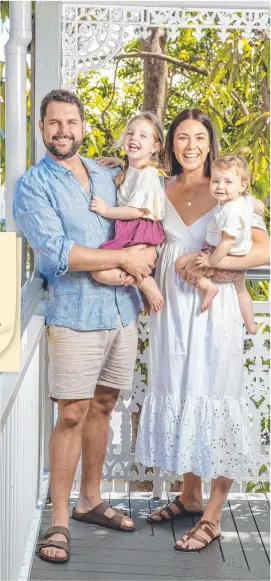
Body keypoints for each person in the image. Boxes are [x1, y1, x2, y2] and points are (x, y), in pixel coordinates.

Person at [13, 89, 156, 564]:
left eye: (71, 123)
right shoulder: (33, 186)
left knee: (104, 403)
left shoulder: (103, 172)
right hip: (74, 314)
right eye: (54, 123)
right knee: (71, 413)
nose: (63, 132)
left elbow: (142, 213)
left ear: (81, 126)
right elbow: (57, 254)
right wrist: (122, 259)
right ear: (41, 128)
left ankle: (90, 500)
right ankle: (58, 521)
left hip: (121, 308)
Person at [134, 109, 269, 552]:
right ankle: (189, 495)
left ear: (211, 142)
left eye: (198, 138)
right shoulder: (160, 187)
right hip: (170, 312)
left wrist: (213, 263)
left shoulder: (228, 189)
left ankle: (212, 514)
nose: (190, 146)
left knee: (217, 396)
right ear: (169, 144)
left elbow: (264, 249)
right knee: (184, 393)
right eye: (181, 138)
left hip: (215, 311)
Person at [176, 154, 264, 334]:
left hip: (219, 257)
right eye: (215, 181)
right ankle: (251, 324)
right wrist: (256, 207)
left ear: (242, 186)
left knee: (181, 263)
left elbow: (227, 241)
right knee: (241, 291)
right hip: (240, 261)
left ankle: (208, 288)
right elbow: (260, 207)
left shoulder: (229, 212)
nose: (220, 186)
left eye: (227, 182)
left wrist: (211, 262)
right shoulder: (244, 200)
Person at [90, 112, 165, 313]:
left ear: (155, 146)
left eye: (143, 136)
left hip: (139, 230)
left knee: (99, 271)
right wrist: (118, 161)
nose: (134, 138)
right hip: (133, 230)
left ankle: (143, 282)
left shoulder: (148, 174)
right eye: (130, 134)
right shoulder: (134, 169)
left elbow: (135, 210)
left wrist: (106, 210)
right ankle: (140, 280)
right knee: (101, 270)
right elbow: (132, 175)